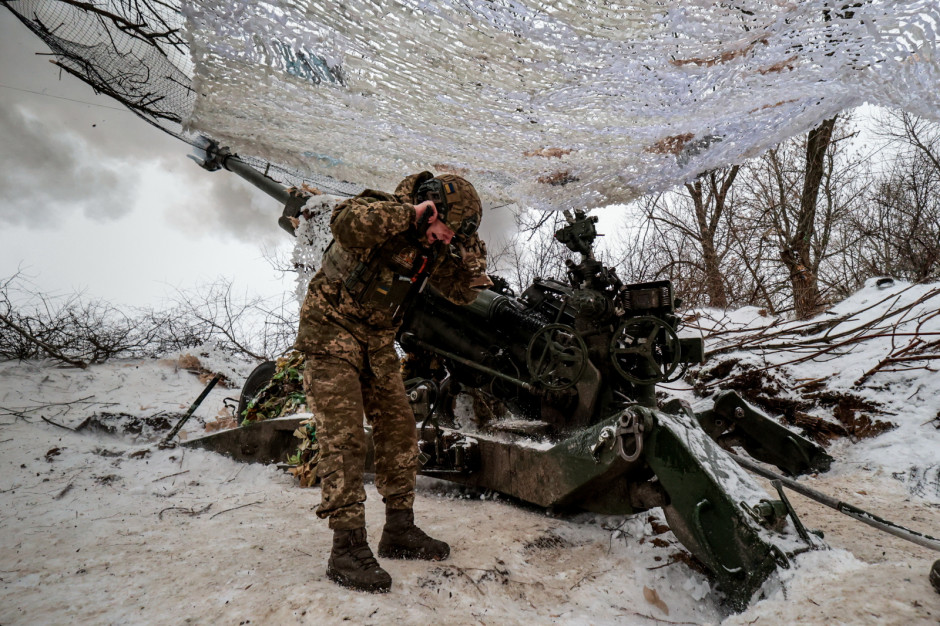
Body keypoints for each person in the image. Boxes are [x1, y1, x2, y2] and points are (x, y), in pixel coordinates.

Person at [294, 171, 491, 593]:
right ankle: (346, 548)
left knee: (400, 432)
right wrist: (409, 215)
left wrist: (469, 253)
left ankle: (399, 531)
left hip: (377, 341)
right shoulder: (381, 209)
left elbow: (461, 293)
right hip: (330, 332)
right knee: (344, 438)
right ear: (429, 207)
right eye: (442, 228)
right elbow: (345, 223)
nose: (443, 238)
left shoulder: (433, 245)